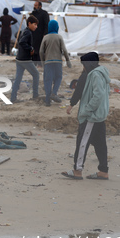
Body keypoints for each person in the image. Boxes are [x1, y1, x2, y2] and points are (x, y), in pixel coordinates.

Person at [62, 52, 110, 180]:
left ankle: (77, 170)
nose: (83, 67)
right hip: (99, 115)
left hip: (91, 117)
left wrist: (87, 110)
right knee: (100, 144)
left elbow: (98, 95)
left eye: (83, 64)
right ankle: (103, 171)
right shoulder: (101, 73)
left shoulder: (94, 75)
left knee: (82, 142)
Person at [39, 20, 72, 106]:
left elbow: (41, 51)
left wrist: (43, 62)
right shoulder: (59, 37)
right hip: (58, 62)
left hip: (48, 63)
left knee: (48, 80)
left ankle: (47, 100)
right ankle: (54, 93)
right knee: (58, 77)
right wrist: (68, 61)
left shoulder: (45, 37)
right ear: (56, 27)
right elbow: (64, 50)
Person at [10, 16, 39, 103]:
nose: (36, 26)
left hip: (19, 58)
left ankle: (13, 98)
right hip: (25, 59)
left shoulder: (24, 31)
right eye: (34, 24)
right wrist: (30, 48)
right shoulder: (28, 33)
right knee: (36, 74)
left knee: (18, 78)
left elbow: (20, 40)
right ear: (29, 23)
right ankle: (35, 96)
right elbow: (22, 42)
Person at [31, 1, 49, 66]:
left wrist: (45, 33)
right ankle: (34, 63)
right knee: (33, 49)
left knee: (40, 49)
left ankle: (40, 64)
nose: (34, 7)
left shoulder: (44, 14)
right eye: (34, 5)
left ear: (40, 6)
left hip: (41, 35)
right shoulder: (33, 14)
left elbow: (46, 24)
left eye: (36, 5)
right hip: (33, 34)